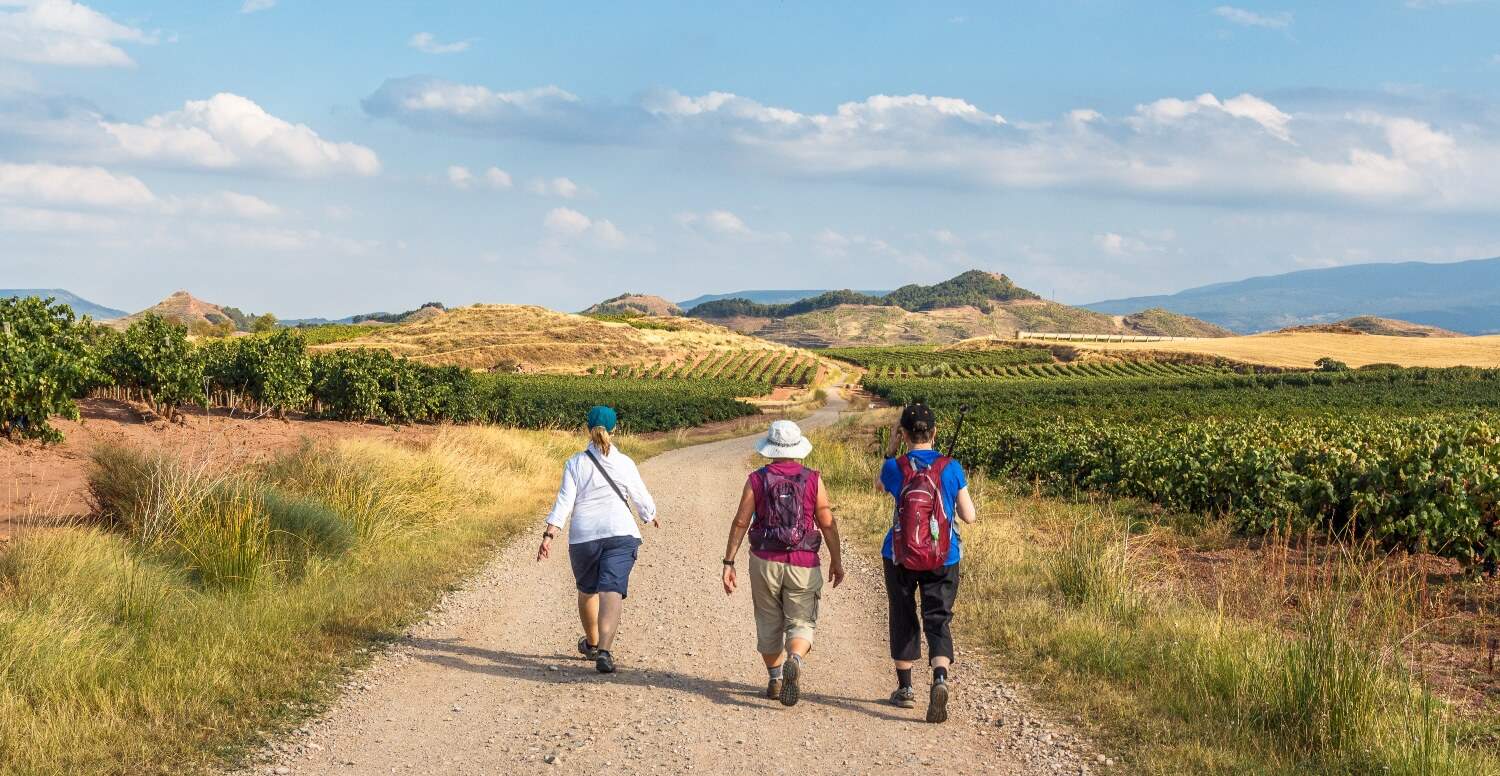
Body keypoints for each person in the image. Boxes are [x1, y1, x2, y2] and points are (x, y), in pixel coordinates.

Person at [721, 419, 845, 706]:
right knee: (801, 620)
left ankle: (776, 677)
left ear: (771, 449)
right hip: (803, 562)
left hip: (764, 560)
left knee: (768, 620)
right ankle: (796, 659)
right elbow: (826, 522)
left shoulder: (757, 479)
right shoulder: (813, 478)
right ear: (798, 448)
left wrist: (729, 561)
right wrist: (836, 561)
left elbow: (741, 521)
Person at [537, 405, 660, 674]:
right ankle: (604, 650)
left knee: (588, 590)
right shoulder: (625, 462)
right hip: (621, 534)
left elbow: (564, 502)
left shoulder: (575, 463)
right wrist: (649, 515)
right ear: (615, 430)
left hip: (585, 538)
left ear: (587, 429)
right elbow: (640, 496)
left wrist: (549, 534)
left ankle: (591, 644)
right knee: (612, 589)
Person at [878, 402, 977, 723]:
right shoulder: (952, 467)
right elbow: (969, 516)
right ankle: (939, 679)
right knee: (938, 618)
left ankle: (905, 690)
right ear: (934, 432)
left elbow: (880, 486)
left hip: (900, 554)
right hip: (944, 555)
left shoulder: (895, 467)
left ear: (904, 434)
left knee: (903, 616)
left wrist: (890, 449)